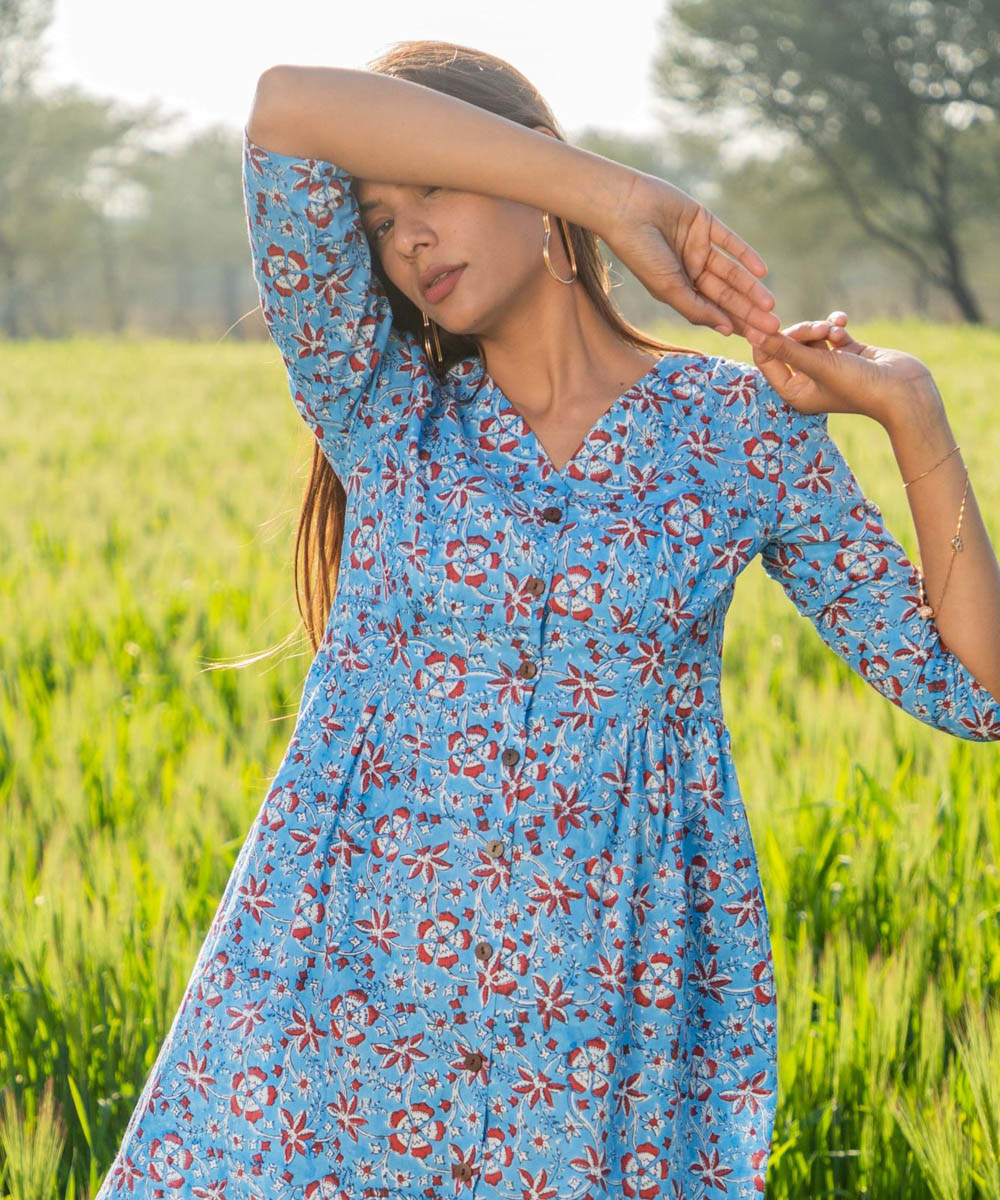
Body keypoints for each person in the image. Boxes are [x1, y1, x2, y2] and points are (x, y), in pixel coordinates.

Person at [95, 40, 1000, 1200]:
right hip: (343, 995)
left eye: (433, 189)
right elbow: (285, 107)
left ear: (532, 178)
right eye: (378, 218)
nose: (406, 236)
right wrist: (614, 196)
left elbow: (972, 690)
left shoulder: (734, 433)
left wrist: (908, 412)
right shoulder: (379, 408)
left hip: (597, 1017)